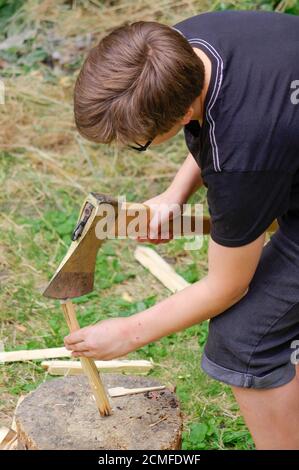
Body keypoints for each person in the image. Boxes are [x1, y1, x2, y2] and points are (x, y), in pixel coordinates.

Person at [64, 10, 299, 449]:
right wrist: (176, 194)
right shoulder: (180, 44)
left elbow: (227, 286)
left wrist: (130, 332)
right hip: (280, 142)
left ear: (184, 110)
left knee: (243, 340)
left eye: (141, 143)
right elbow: (233, 117)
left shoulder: (241, 160)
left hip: (269, 153)